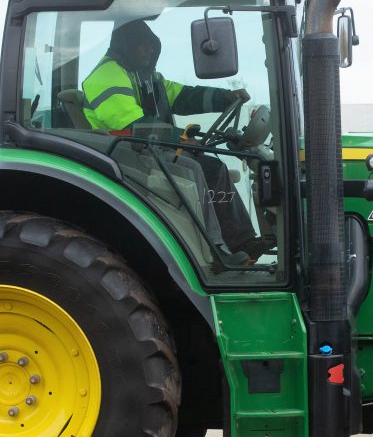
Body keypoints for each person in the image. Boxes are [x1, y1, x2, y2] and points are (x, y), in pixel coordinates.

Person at [82, 19, 262, 260]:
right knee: (194, 168)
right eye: (144, 45)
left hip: (149, 150)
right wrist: (181, 139)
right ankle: (215, 253)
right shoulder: (106, 75)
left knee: (214, 168)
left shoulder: (147, 78)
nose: (150, 50)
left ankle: (243, 244)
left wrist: (224, 97)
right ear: (128, 44)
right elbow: (133, 126)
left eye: (152, 46)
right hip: (126, 155)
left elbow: (184, 96)